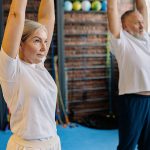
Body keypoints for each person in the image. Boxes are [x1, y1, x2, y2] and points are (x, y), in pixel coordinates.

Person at [0, 0, 61, 149]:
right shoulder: (11, 69)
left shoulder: (38, 65)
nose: (44, 47)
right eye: (37, 41)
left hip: (53, 142)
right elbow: (16, 14)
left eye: (45, 41)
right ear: (20, 44)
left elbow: (47, 17)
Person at [107, 0, 150, 150]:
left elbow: (142, 6)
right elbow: (112, 9)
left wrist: (142, 17)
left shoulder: (145, 37)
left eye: (143, 22)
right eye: (137, 23)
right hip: (132, 100)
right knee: (128, 146)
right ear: (125, 26)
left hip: (149, 101)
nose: (142, 25)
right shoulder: (121, 41)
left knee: (148, 144)